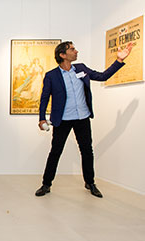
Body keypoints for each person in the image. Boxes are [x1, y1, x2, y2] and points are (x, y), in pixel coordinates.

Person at [35, 41, 133, 198]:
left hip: (82, 118)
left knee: (87, 151)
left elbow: (102, 76)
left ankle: (90, 183)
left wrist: (119, 60)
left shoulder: (81, 68)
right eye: (72, 49)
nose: (76, 51)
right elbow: (44, 98)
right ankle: (46, 184)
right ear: (62, 55)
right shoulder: (51, 75)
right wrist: (41, 119)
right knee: (56, 152)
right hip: (63, 120)